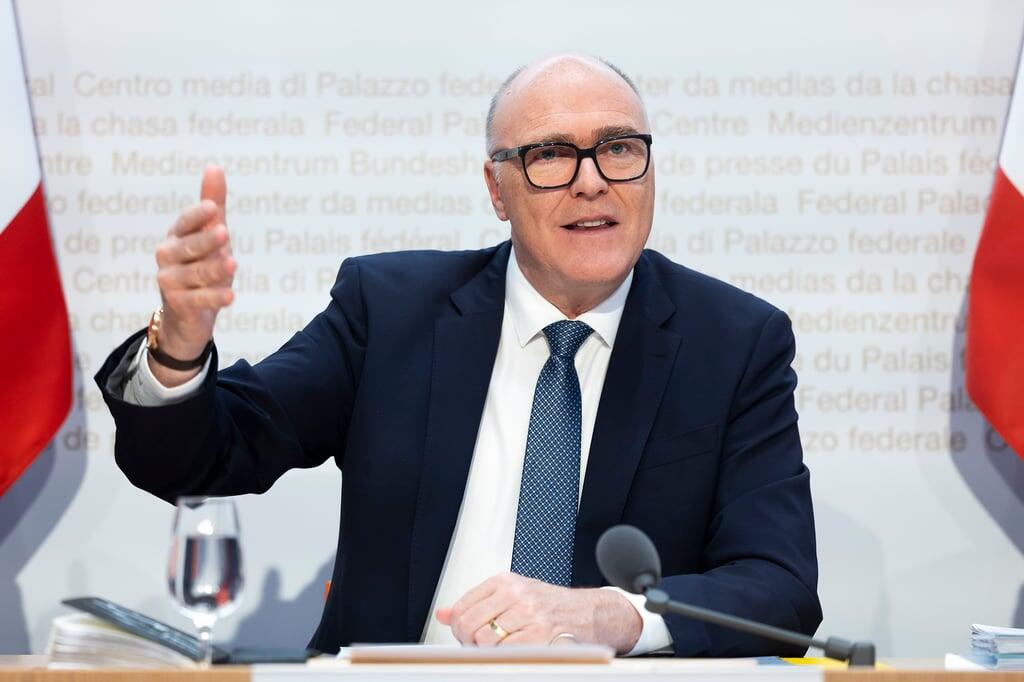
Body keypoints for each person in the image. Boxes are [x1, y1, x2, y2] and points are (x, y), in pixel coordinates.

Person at [96, 54, 822, 656]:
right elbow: (203, 460)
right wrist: (180, 347)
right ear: (496, 190)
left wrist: (615, 615)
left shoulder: (733, 342)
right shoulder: (391, 312)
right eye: (550, 155)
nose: (592, 179)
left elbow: (780, 588)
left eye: (619, 148)